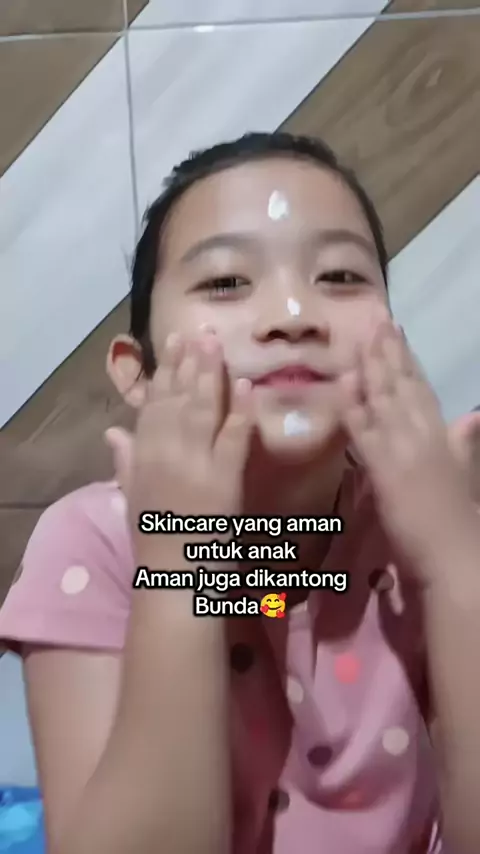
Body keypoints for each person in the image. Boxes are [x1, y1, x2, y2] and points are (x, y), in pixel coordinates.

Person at [1, 132, 479, 854]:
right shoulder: (95, 545)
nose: (293, 312)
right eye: (226, 282)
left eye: (340, 276)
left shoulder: (434, 528)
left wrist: (455, 565)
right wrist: (180, 570)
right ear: (139, 372)